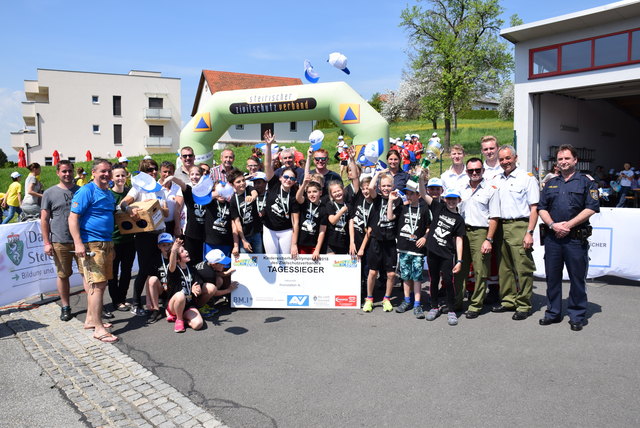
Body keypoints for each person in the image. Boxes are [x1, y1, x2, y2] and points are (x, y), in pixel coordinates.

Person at [538, 144, 599, 331]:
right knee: (553, 278)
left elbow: (591, 208)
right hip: (553, 238)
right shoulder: (550, 183)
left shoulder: (587, 182)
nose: (563, 162)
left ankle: (577, 314)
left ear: (575, 160)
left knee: (577, 278)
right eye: (560, 159)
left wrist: (568, 225)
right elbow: (541, 208)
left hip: (574, 239)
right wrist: (552, 225)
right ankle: (553, 312)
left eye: (567, 158)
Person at [68, 159, 118, 343]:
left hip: (106, 243)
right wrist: (78, 243)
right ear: (94, 173)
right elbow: (73, 218)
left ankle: (91, 319)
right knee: (97, 286)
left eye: (108, 171)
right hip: (91, 244)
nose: (106, 174)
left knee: (99, 285)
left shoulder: (108, 192)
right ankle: (98, 329)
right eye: (103, 171)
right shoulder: (86, 191)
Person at [493, 145, 539, 320]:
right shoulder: (497, 179)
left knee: (523, 267)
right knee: (504, 267)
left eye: (508, 158)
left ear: (515, 157)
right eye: (502, 159)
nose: (505, 162)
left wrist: (529, 232)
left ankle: (524, 304)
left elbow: (534, 208)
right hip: (501, 227)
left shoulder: (526, 178)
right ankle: (508, 300)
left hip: (519, 226)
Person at [120, 158, 170, 317]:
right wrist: (131, 210)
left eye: (155, 169)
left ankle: (154, 303)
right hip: (144, 235)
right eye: (149, 170)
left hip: (160, 233)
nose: (153, 172)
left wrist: (160, 208)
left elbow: (167, 213)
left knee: (157, 269)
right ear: (143, 172)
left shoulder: (160, 189)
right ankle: (136, 302)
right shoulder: (137, 188)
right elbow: (123, 203)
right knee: (143, 270)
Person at [454, 158, 500, 318]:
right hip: (462, 232)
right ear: (466, 171)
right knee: (460, 269)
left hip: (480, 232)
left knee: (481, 270)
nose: (474, 173)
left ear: (483, 171)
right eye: (471, 170)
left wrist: (489, 239)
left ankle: (475, 305)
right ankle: (457, 302)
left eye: (477, 170)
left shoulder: (491, 189)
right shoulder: (461, 188)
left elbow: (494, 217)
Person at [419, 173, 466, 326]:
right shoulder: (438, 207)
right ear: (445, 199)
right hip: (432, 251)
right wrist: (421, 179)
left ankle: (451, 310)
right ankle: (434, 307)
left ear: (459, 200)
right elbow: (423, 193)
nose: (451, 201)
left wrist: (459, 260)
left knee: (447, 281)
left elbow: (459, 240)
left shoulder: (459, 219)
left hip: (447, 254)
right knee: (433, 281)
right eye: (449, 198)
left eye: (454, 199)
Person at [41, 160, 81, 321]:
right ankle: (65, 307)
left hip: (81, 240)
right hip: (60, 240)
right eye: (64, 171)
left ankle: (94, 309)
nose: (67, 174)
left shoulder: (81, 190)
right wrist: (46, 242)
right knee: (63, 275)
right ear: (58, 173)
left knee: (88, 275)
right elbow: (44, 219)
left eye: (70, 171)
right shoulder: (49, 193)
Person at [389, 180, 431, 319]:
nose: (409, 196)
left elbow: (429, 227)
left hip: (417, 250)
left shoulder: (424, 209)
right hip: (404, 248)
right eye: (407, 193)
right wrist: (391, 201)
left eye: (412, 194)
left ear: (418, 195)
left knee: (417, 278)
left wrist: (424, 237)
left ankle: (417, 304)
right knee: (406, 277)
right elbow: (390, 217)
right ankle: (407, 300)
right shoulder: (402, 208)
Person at [362, 171, 402, 313]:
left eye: (388, 186)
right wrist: (378, 173)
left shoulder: (398, 201)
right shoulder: (376, 198)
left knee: (391, 274)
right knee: (373, 272)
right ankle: (369, 299)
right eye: (383, 186)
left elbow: (390, 218)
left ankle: (386, 298)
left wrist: (391, 200)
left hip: (390, 241)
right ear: (380, 187)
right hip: (376, 241)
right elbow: (371, 188)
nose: (386, 188)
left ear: (393, 186)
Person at [262, 130, 299, 254]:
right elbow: (267, 165)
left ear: (294, 182)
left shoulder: (294, 195)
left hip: (286, 231)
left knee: (286, 262)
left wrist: (294, 244)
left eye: (292, 178)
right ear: (280, 178)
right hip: (269, 229)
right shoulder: (273, 185)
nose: (288, 180)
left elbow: (296, 222)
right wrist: (268, 145)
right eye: (286, 177)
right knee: (272, 260)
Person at [107, 163, 135, 314]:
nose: (120, 178)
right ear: (112, 177)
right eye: (117, 175)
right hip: (114, 240)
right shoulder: (109, 195)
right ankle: (115, 300)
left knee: (126, 272)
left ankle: (122, 298)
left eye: (123, 175)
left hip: (130, 240)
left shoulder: (131, 193)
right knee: (112, 273)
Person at [165, 238, 204, 333]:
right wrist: (174, 250)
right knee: (180, 295)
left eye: (185, 249)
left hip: (188, 304)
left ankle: (181, 318)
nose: (186, 252)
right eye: (182, 251)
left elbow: (197, 285)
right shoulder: (173, 270)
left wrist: (197, 289)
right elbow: (171, 265)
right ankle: (179, 319)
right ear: (178, 259)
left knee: (198, 324)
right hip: (175, 304)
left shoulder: (192, 269)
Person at [229, 169, 264, 255]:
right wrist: (243, 240)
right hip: (244, 235)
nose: (242, 183)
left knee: (259, 257)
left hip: (256, 232)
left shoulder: (249, 189)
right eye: (238, 182)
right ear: (232, 185)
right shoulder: (233, 200)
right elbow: (237, 222)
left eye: (243, 180)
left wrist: (252, 197)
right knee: (245, 261)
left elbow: (255, 193)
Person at [159, 161, 184, 237]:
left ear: (173, 174)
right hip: (159, 225)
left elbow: (178, 209)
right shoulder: (155, 188)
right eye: (165, 172)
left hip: (173, 224)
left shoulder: (177, 188)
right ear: (160, 173)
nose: (167, 174)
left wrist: (177, 226)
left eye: (170, 172)